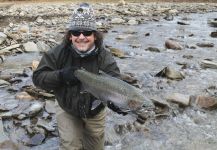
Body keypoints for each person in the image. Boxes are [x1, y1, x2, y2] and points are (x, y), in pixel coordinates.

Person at [32, 3, 124, 150]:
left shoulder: (104, 57)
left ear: (95, 35)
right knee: (70, 146)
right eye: (76, 32)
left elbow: (116, 82)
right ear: (70, 36)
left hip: (95, 111)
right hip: (67, 107)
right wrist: (61, 76)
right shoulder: (58, 53)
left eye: (87, 32)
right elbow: (38, 78)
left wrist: (116, 101)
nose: (81, 37)